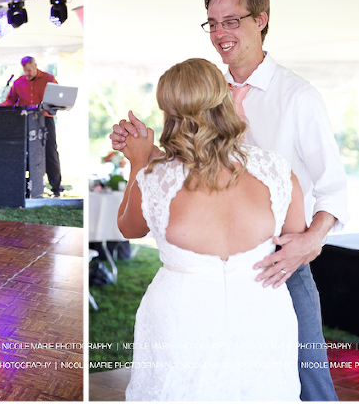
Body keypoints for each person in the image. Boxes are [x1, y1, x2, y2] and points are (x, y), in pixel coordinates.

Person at [111, 0, 348, 401]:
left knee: (307, 381)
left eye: (232, 21)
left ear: (262, 21)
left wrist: (310, 242)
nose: (220, 33)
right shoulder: (204, 90)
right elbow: (189, 169)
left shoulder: (298, 97)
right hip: (201, 273)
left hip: (279, 261)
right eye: (213, 24)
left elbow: (334, 187)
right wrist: (145, 152)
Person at [117, 58, 305, 400]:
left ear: (170, 112)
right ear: (226, 101)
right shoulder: (277, 170)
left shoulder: (156, 177)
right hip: (261, 311)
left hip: (181, 316)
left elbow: (129, 229)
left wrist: (140, 162)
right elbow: (296, 237)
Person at [0, 56, 63, 196]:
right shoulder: (18, 82)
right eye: (25, 71)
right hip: (25, 120)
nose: (27, 73)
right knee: (24, 152)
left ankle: (56, 187)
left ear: (35, 66)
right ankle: (26, 185)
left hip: (45, 119)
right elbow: (10, 101)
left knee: (50, 152)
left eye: (29, 70)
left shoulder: (49, 79)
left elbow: (58, 98)